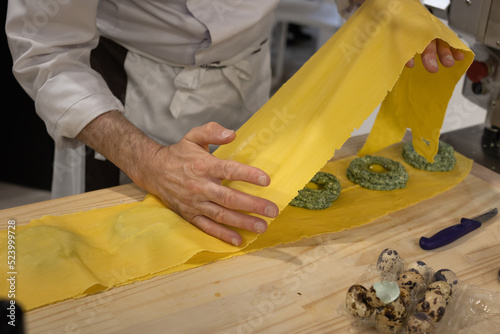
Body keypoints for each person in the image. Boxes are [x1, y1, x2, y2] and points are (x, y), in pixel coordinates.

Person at [6, 0, 464, 246]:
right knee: (117, 259)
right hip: (125, 97)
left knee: (238, 247)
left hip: (250, 80)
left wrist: (391, 14)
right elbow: (45, 52)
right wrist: (148, 161)